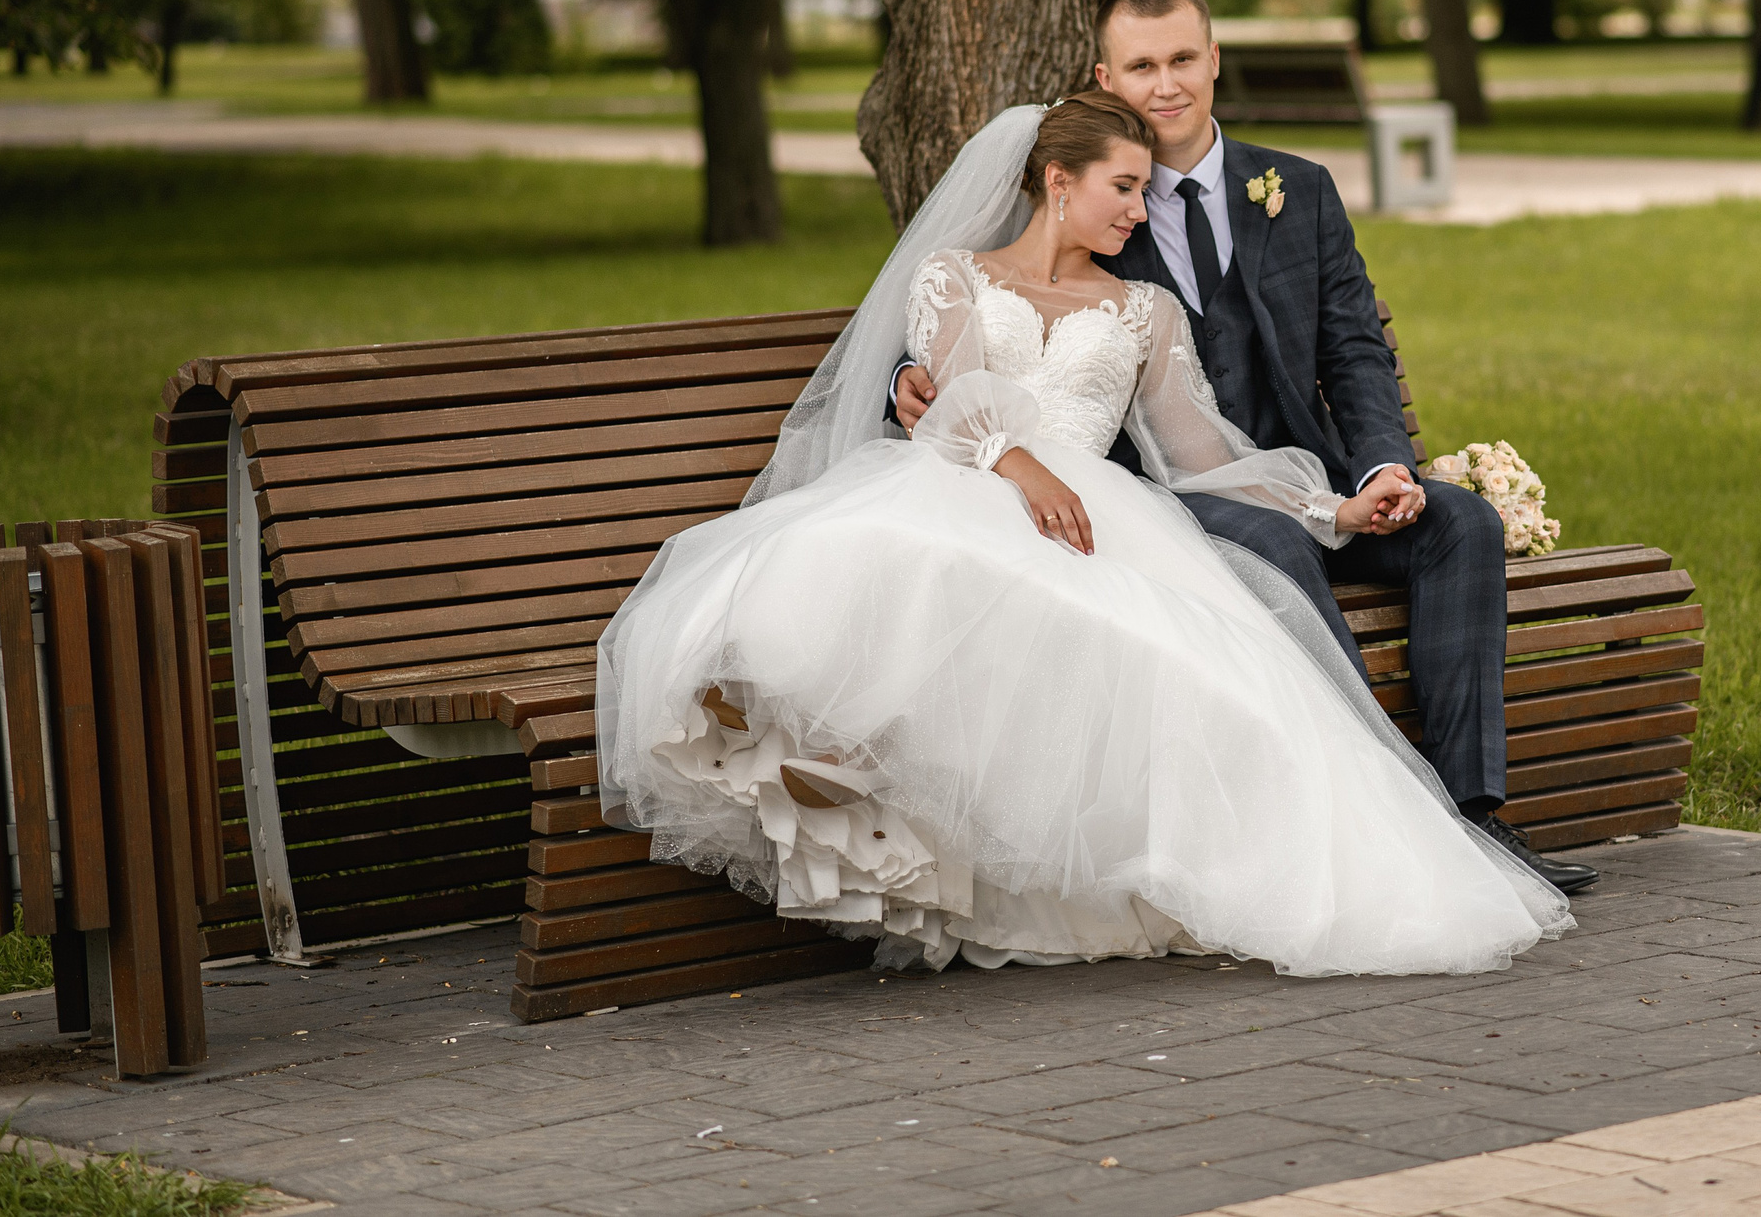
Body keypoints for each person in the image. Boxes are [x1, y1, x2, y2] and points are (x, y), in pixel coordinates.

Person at [595, 91, 1572, 975]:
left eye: (1145, 192)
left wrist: (1333, 511)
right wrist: (1021, 467)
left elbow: (1202, 458)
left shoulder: (1144, 310)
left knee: (1161, 651)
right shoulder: (953, 277)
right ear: (1058, 181)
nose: (1140, 211)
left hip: (1093, 515)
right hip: (962, 485)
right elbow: (950, 403)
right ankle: (843, 772)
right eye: (1124, 187)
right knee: (897, 561)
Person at [896, 0, 1599, 896]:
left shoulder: (1299, 189)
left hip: (1305, 480)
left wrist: (1382, 470)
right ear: (1106, 79)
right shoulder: (1094, 186)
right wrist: (904, 379)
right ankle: (1382, 813)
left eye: (1183, 59)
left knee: (1461, 523)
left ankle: (1474, 815)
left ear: (1215, 59)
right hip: (1167, 497)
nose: (1167, 84)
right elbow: (986, 302)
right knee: (1272, 544)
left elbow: (1355, 349)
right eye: (1142, 66)